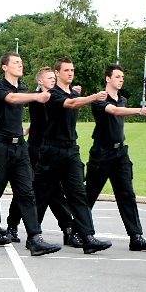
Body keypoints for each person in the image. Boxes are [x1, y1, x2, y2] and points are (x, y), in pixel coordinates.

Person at [0, 52, 61, 256]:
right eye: (16, 63)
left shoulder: (21, 87)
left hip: (19, 147)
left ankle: (34, 238)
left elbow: (19, 97)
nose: (20, 65)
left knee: (27, 193)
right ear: (5, 67)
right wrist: (37, 96)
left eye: (21, 62)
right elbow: (11, 99)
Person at [33, 56, 112, 255]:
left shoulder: (73, 92)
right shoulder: (53, 94)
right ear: (57, 73)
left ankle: (87, 237)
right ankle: (34, 236)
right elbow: (71, 104)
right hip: (52, 150)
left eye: (72, 70)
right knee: (43, 194)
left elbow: (75, 99)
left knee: (78, 193)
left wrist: (83, 96)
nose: (70, 73)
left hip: (71, 150)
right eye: (66, 70)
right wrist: (94, 97)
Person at [85, 64, 146, 251]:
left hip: (120, 153)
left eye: (122, 77)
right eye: (117, 76)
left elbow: (120, 109)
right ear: (108, 78)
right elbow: (115, 111)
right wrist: (140, 111)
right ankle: (79, 231)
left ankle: (136, 236)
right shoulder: (100, 99)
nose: (121, 79)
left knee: (127, 194)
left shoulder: (123, 99)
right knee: (89, 194)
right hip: (102, 152)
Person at [5, 67, 74, 244]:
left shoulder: (57, 96)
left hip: (52, 150)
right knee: (27, 189)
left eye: (54, 77)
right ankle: (13, 226)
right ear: (40, 82)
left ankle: (67, 228)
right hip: (35, 151)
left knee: (55, 190)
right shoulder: (38, 98)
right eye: (49, 78)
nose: (53, 80)